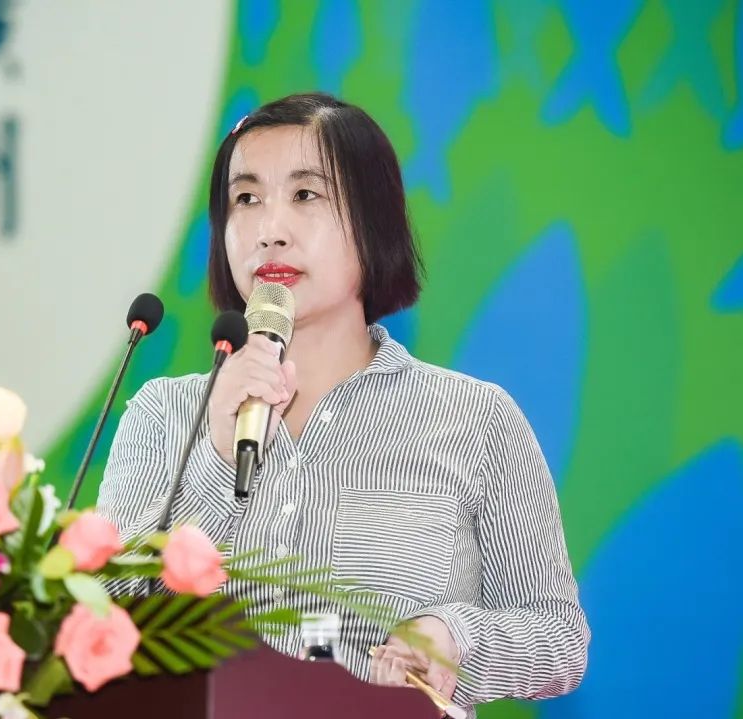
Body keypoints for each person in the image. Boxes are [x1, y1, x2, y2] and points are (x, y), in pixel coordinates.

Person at [97, 93, 589, 717]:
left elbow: (558, 638)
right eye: (246, 199)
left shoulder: (473, 418)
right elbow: (99, 619)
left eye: (306, 194)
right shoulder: (164, 413)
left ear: (372, 219)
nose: (270, 230)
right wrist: (217, 459)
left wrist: (455, 636)